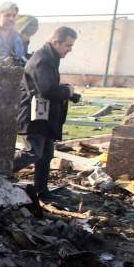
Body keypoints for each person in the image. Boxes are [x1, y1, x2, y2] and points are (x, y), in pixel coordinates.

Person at [17, 26, 81, 201]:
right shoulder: (43, 60)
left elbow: (48, 85)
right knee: (33, 153)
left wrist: (70, 94)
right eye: (68, 45)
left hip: (43, 115)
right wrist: (67, 91)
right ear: (56, 42)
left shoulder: (50, 57)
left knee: (45, 155)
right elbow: (46, 90)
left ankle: (42, 191)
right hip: (35, 115)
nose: (70, 49)